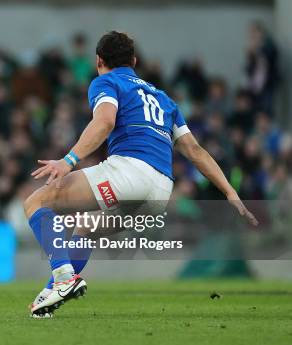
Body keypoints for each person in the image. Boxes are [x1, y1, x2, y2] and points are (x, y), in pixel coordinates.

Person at [23, 31, 258, 317]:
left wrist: (69, 160)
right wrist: (230, 192)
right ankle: (51, 294)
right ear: (133, 61)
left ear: (98, 60)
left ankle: (63, 279)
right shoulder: (164, 98)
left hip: (129, 173)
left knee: (36, 202)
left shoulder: (106, 82)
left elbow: (105, 121)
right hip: (160, 190)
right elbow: (195, 150)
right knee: (85, 226)